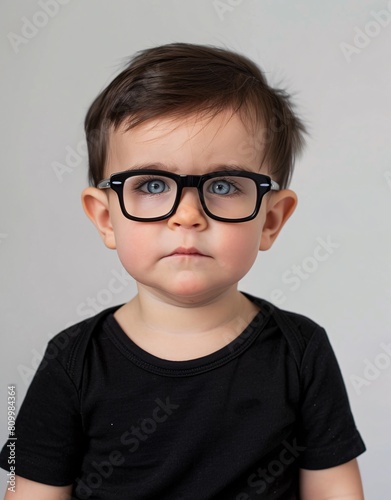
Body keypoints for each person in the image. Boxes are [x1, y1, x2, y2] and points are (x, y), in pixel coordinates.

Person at [0, 42, 366, 499]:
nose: (187, 215)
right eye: (152, 184)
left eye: (223, 184)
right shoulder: (73, 360)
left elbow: (336, 491)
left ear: (270, 219)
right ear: (105, 218)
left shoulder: (300, 352)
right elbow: (32, 492)